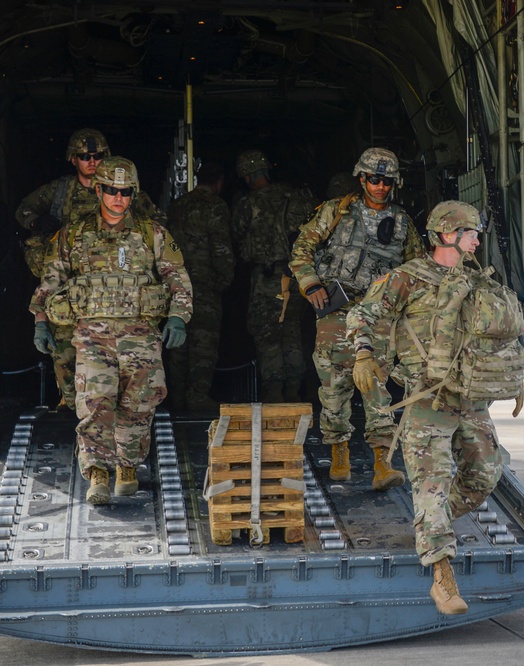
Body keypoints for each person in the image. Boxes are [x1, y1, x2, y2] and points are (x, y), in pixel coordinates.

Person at [346, 200, 524, 615]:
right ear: (447, 234)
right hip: (426, 402)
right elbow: (362, 314)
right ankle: (443, 577)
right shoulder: (407, 279)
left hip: (472, 401)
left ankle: (431, 525)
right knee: (433, 483)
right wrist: (363, 353)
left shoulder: (477, 280)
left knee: (485, 475)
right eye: (470, 231)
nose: (477, 238)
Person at [29, 157, 192, 505]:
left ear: (133, 193)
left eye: (126, 192)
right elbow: (51, 281)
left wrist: (178, 316)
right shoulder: (73, 234)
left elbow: (178, 280)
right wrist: (41, 321)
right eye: (112, 190)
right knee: (95, 403)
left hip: (141, 335)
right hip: (92, 336)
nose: (119, 198)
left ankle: (128, 466)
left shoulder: (153, 234)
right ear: (99, 190)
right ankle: (98, 473)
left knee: (140, 403)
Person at [290, 148, 425, 490]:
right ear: (362, 179)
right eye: (374, 179)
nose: (380, 186)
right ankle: (339, 453)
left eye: (387, 181)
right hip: (336, 312)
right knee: (334, 386)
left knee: (377, 387)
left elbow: (417, 268)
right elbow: (301, 249)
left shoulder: (402, 222)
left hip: (378, 316)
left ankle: (382, 463)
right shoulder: (335, 211)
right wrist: (310, 284)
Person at [16, 128, 167, 412]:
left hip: (112, 296)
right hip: (68, 290)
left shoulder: (127, 193)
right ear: (73, 159)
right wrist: (39, 223)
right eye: (85, 156)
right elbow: (23, 211)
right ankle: (72, 407)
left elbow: (155, 225)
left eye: (98, 156)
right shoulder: (61, 191)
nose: (92, 161)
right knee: (64, 356)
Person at [230, 149, 318, 402]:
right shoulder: (295, 198)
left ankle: (275, 391)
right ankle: (294, 389)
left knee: (268, 334)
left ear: (246, 176)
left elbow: (236, 233)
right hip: (297, 278)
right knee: (292, 333)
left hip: (267, 278)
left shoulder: (248, 203)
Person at [165, 161, 234, 412]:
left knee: (179, 343)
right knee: (204, 342)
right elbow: (221, 245)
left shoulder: (178, 205)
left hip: (176, 282)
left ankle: (178, 398)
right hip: (204, 284)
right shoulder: (215, 206)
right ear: (219, 183)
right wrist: (224, 280)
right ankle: (197, 395)